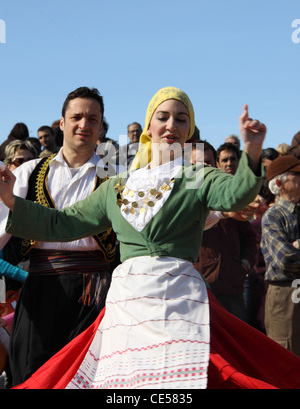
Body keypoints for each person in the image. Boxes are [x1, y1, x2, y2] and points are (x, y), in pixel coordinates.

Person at [1, 87, 300, 390]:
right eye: (163, 117)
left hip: (180, 303)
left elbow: (236, 194)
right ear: (148, 126)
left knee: (176, 386)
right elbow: (63, 223)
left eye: (181, 119)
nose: (171, 125)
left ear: (189, 130)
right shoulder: (117, 185)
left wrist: (251, 150)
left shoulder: (197, 176)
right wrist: (12, 201)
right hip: (127, 305)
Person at [0, 86, 116, 387]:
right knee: (32, 373)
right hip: (40, 286)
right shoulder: (28, 172)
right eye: (76, 116)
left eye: (93, 118)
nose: (84, 124)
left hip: (96, 293)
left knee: (86, 378)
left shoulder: (118, 177)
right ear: (61, 123)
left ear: (101, 126)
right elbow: (1, 228)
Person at [195, 142, 257, 321]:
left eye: (208, 162)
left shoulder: (231, 195)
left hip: (231, 284)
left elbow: (249, 236)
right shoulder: (182, 198)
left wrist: (243, 265)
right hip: (198, 285)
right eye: (198, 163)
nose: (204, 167)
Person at [261, 155, 300, 357]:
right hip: (285, 294)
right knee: (286, 357)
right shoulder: (273, 215)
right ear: (279, 182)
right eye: (297, 174)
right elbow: (286, 260)